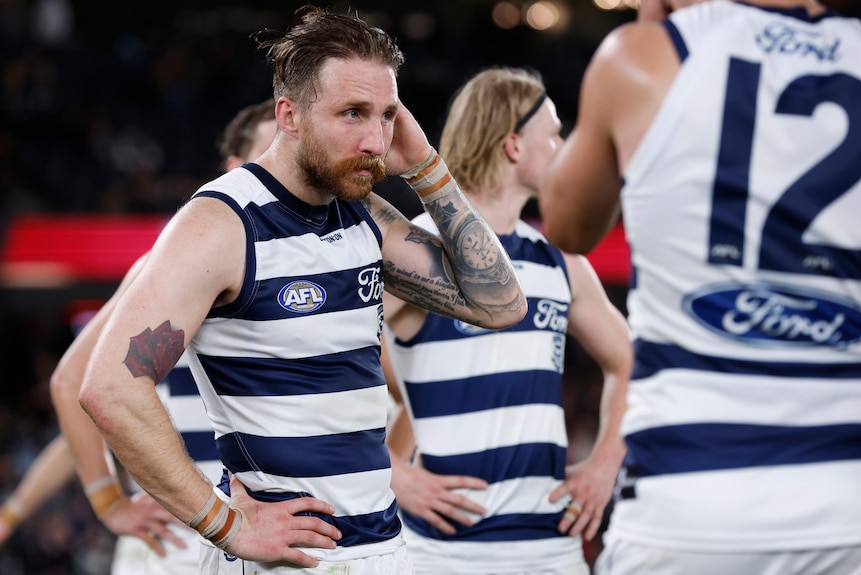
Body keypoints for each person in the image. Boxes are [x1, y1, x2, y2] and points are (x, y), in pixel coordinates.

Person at [78, 5, 526, 575]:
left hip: (383, 548)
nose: (375, 138)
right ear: (289, 115)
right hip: (287, 560)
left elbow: (502, 304)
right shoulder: (222, 223)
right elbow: (110, 389)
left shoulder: (362, 214)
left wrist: (425, 165)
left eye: (387, 115)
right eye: (353, 113)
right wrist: (225, 524)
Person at [539, 1, 861, 574]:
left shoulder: (647, 54)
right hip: (848, 497)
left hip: (690, 499)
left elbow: (566, 226)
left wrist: (645, 33)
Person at [0, 98, 278, 573]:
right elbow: (79, 390)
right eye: (270, 147)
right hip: (182, 538)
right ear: (235, 167)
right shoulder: (180, 268)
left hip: (263, 531)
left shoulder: (309, 272)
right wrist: (107, 504)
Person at [382, 67, 632, 575]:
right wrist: (391, 475)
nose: (563, 146)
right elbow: (325, 360)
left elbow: (632, 363)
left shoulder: (561, 259)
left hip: (551, 546)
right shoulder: (416, 248)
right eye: (555, 133)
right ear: (514, 145)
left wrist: (607, 462)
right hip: (441, 554)